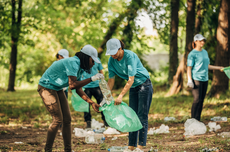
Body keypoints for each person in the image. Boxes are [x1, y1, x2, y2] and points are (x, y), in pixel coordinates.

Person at [37, 45, 104, 152]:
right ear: (86, 58)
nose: (94, 63)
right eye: (93, 60)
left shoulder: (81, 68)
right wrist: (91, 79)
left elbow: (78, 89)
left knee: (67, 120)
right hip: (46, 87)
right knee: (57, 119)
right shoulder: (73, 62)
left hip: (57, 88)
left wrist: (91, 103)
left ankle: (68, 149)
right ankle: (47, 149)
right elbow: (72, 85)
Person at [105, 38, 153, 151]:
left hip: (144, 85)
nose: (112, 55)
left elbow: (131, 79)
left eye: (114, 52)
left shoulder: (130, 56)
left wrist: (120, 95)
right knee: (132, 116)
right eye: (110, 53)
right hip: (133, 87)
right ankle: (131, 145)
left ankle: (140, 146)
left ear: (120, 48)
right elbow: (111, 80)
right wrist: (106, 95)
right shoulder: (111, 61)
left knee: (142, 115)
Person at [187, 34, 224, 121]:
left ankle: (198, 120)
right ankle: (193, 120)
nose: (202, 42)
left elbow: (207, 66)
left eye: (203, 40)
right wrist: (189, 79)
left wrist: (219, 68)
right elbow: (189, 68)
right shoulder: (192, 54)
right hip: (196, 79)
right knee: (196, 100)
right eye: (200, 41)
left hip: (205, 79)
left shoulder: (205, 52)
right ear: (196, 41)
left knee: (201, 100)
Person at [80, 57, 109, 128]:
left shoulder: (97, 59)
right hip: (86, 86)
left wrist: (103, 83)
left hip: (96, 85)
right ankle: (88, 122)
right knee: (86, 105)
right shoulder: (83, 60)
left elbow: (101, 71)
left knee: (102, 103)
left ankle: (106, 121)